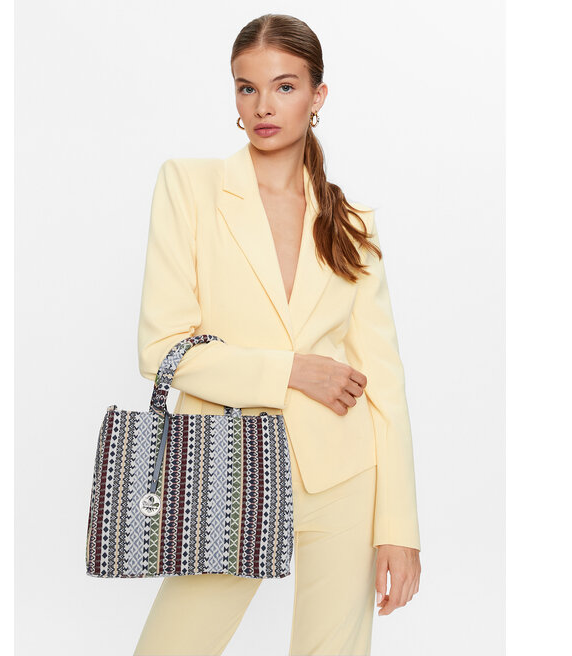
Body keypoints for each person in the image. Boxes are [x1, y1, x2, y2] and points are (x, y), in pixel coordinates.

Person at [133, 13, 421, 656]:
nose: (263, 106)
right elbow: (161, 347)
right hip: (225, 465)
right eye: (247, 87)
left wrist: (399, 527)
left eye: (285, 87)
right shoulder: (190, 186)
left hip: (342, 475)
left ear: (318, 96)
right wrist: (292, 370)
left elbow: (385, 384)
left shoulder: (351, 223)